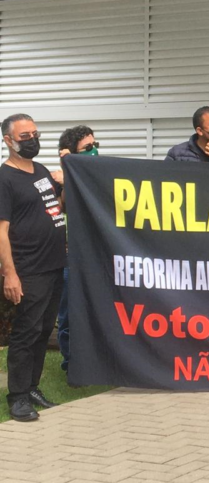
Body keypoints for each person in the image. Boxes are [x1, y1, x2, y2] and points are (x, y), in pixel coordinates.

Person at [0, 114, 66, 422]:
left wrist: (67, 179)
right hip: (29, 268)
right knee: (26, 333)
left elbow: (56, 208)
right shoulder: (5, 178)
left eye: (35, 134)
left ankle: (32, 387)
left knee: (42, 331)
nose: (32, 140)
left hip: (54, 264)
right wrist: (10, 273)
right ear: (8, 141)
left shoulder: (39, 170)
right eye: (24, 136)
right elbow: (1, 230)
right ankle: (17, 397)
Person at [54, 124, 100, 374]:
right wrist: (68, 171)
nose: (93, 151)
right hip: (71, 256)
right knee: (69, 314)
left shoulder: (101, 175)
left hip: (96, 256)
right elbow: (65, 206)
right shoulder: (58, 180)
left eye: (95, 146)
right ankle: (70, 363)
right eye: (87, 148)